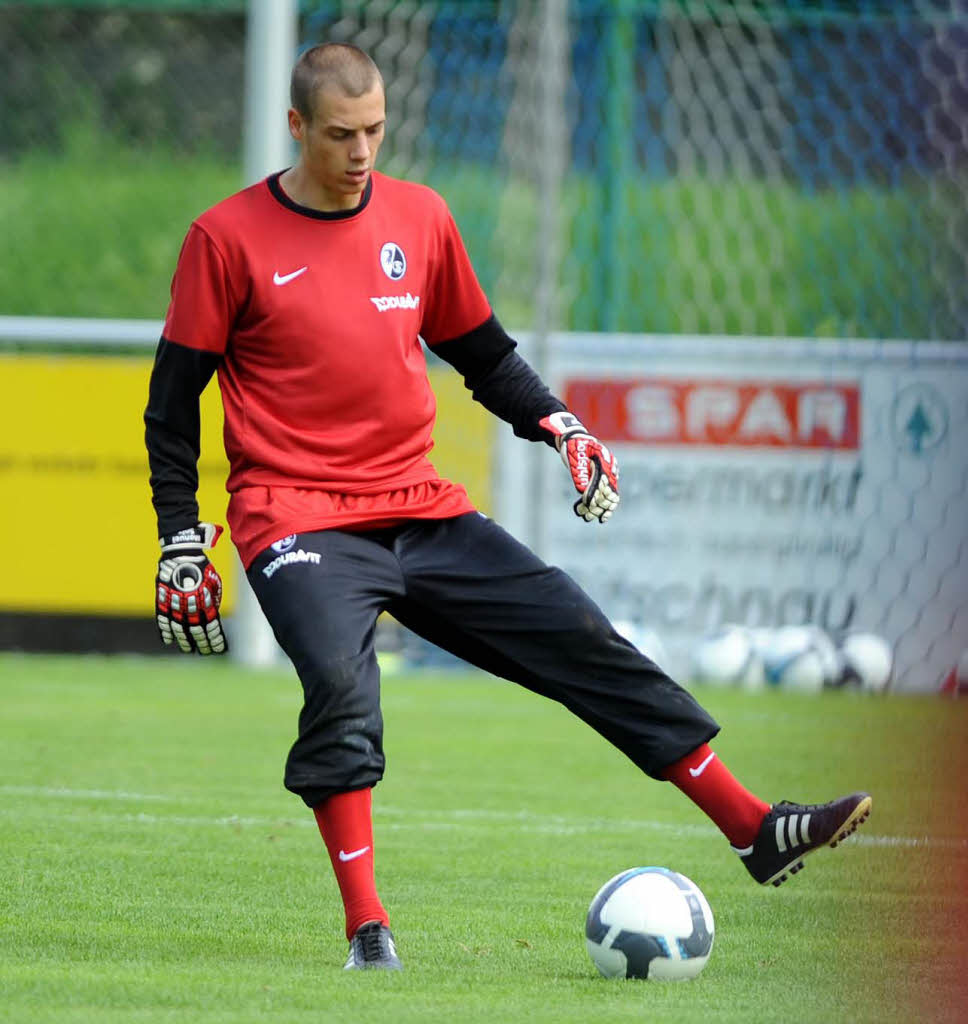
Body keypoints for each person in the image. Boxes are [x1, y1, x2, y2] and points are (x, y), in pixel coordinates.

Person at [145, 42, 871, 972]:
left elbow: (483, 358)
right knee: (339, 683)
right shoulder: (225, 239)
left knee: (581, 632)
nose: (362, 150)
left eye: (373, 130)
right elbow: (171, 410)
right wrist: (178, 539)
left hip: (422, 505)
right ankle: (369, 931)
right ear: (296, 128)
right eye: (339, 134)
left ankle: (753, 829)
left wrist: (562, 424)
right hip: (298, 518)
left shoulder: (422, 217)